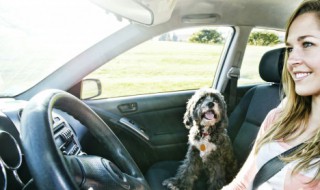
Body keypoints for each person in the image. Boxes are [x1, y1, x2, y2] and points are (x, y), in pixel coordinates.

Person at [222, 0, 320, 189]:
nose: (291, 60)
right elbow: (242, 183)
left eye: (307, 43)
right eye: (290, 48)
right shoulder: (279, 117)